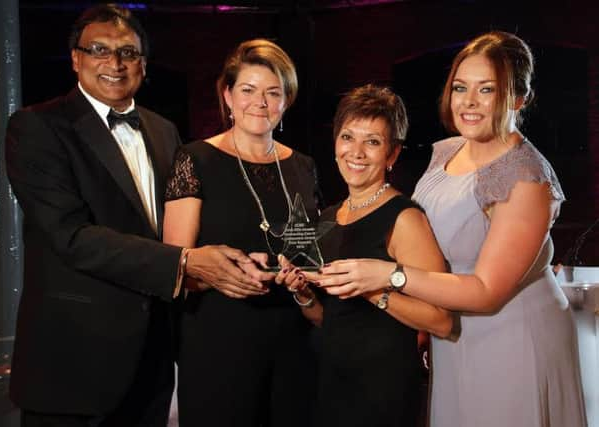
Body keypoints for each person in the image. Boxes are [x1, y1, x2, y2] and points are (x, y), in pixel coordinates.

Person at [309, 32, 587, 427]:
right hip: (452, 333)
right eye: (460, 87)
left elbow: (488, 292)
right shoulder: (449, 151)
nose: (468, 102)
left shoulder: (524, 177)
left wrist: (389, 276)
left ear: (519, 98)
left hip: (510, 335)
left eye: (486, 89)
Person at [5, 4, 260, 426]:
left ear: (143, 63)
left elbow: (181, 223)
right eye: (99, 50)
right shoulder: (36, 127)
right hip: (74, 365)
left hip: (153, 360)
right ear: (76, 58)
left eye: (128, 52)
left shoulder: (164, 130)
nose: (115, 63)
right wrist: (184, 261)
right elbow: (69, 236)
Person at [163, 39, 321, 427]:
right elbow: (172, 266)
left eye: (273, 93)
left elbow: (312, 250)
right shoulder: (194, 158)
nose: (260, 103)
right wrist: (226, 275)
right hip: (219, 340)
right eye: (248, 90)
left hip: (294, 339)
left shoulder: (303, 166)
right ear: (228, 95)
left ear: (286, 101)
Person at [279, 84, 452, 427]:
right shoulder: (328, 217)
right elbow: (332, 319)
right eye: (347, 137)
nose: (356, 152)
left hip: (381, 387)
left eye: (372, 141)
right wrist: (302, 295)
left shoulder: (404, 218)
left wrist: (372, 290)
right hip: (329, 381)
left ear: (392, 154)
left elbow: (441, 321)